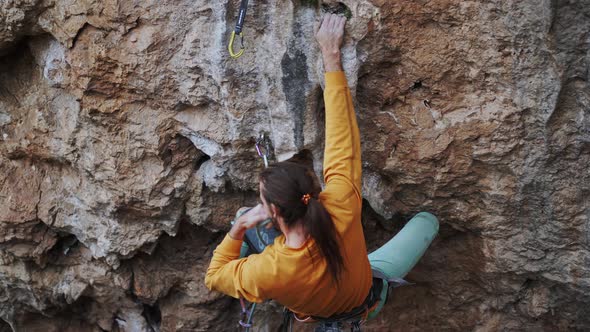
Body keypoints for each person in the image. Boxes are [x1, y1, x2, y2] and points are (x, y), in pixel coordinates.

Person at [205, 13, 439, 328]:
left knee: (239, 220)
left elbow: (215, 276)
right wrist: (331, 57)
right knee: (428, 221)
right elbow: (343, 138)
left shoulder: (267, 272)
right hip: (368, 294)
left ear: (274, 212)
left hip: (314, 304)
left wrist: (240, 228)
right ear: (311, 191)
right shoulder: (341, 201)